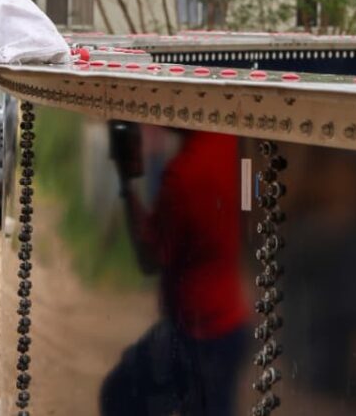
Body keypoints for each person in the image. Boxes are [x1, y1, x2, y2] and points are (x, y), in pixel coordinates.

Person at [101, 123, 249, 416]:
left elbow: (149, 256)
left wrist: (127, 181)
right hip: (230, 322)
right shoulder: (231, 144)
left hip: (197, 333)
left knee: (119, 396)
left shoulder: (184, 176)